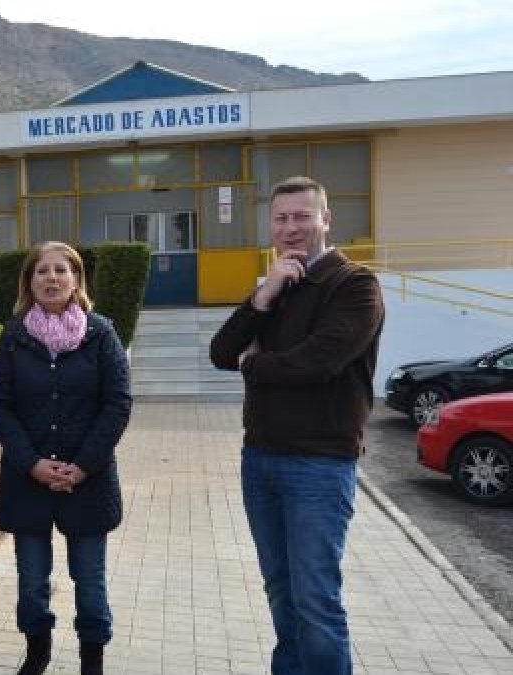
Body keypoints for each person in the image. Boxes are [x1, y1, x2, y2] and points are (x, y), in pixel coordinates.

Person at [210, 176, 384, 675]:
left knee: (316, 601)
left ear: (326, 220)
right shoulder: (276, 286)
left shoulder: (355, 286)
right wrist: (262, 299)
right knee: (281, 593)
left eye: (303, 216)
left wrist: (253, 364)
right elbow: (221, 352)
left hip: (319, 465)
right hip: (260, 460)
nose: (292, 228)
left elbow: (317, 363)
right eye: (282, 218)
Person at [0, 242, 132, 675]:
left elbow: (118, 403)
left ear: (76, 279)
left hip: (87, 482)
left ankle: (93, 662)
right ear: (29, 282)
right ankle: (38, 653)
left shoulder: (101, 333)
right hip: (26, 481)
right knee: (32, 583)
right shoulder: (14, 336)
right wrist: (32, 462)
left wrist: (82, 465)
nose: (51, 278)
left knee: (89, 583)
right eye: (42, 272)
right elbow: (0, 406)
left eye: (61, 271)